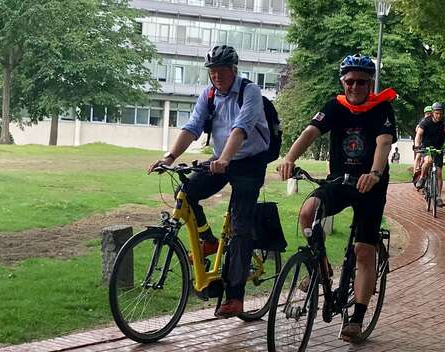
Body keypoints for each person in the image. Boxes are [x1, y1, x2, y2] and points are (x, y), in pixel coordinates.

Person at [278, 53, 397, 342]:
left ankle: (356, 318)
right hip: (340, 181)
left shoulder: (382, 108)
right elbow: (310, 132)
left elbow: (383, 143)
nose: (354, 87)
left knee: (363, 251)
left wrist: (375, 173)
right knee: (307, 213)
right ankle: (323, 269)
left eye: (361, 82)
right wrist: (290, 158)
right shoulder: (335, 106)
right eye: (349, 82)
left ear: (370, 84)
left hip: (371, 184)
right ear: (342, 82)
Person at [147, 45, 270, 318]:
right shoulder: (209, 94)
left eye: (222, 71)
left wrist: (225, 159)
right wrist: (168, 157)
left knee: (239, 226)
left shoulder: (250, 92)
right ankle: (209, 240)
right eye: (212, 71)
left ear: (234, 70)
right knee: (186, 190)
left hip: (249, 162)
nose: (216, 76)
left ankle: (235, 297)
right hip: (220, 159)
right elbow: (192, 126)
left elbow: (241, 129)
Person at [414, 102, 445, 207]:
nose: (439, 115)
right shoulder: (425, 121)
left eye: (441, 113)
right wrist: (417, 145)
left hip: (438, 148)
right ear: (432, 113)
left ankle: (438, 197)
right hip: (426, 147)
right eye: (436, 113)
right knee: (428, 161)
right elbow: (418, 135)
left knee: (439, 173)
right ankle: (422, 178)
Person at [412, 105, 433, 180]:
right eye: (427, 113)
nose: (429, 115)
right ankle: (415, 172)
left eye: (431, 113)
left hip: (429, 142)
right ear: (425, 114)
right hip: (421, 142)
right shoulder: (422, 121)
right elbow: (417, 130)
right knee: (418, 156)